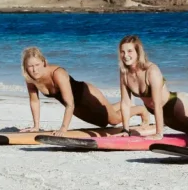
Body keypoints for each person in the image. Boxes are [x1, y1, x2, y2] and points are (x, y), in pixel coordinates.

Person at [20, 46, 148, 133]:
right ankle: (123, 103)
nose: (34, 69)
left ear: (44, 62)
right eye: (30, 66)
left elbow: (69, 103)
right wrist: (36, 126)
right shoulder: (30, 78)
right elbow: (35, 101)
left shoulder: (57, 73)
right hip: (76, 106)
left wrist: (63, 128)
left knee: (113, 120)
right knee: (102, 123)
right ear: (25, 67)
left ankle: (141, 110)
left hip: (87, 94)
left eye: (37, 65)